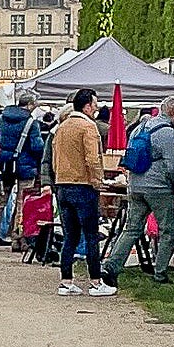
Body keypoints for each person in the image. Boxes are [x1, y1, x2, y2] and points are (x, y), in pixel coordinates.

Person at [102, 97, 174, 287]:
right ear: (172, 111)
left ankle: (111, 266)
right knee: (168, 229)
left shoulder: (140, 127)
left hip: (135, 185)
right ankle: (160, 273)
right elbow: (173, 167)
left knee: (131, 229)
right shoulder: (168, 133)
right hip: (158, 188)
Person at [53, 87, 113, 296]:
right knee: (91, 235)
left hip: (62, 184)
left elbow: (54, 157)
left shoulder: (62, 127)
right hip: (83, 185)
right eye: (95, 105)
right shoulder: (88, 127)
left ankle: (66, 281)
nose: (96, 109)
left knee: (70, 236)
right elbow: (92, 158)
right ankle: (96, 281)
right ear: (87, 106)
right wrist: (98, 180)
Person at [0, 92, 43, 249]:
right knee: (22, 202)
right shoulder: (31, 122)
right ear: (30, 105)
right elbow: (37, 146)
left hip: (5, 164)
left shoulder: (2, 118)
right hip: (25, 165)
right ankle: (17, 238)